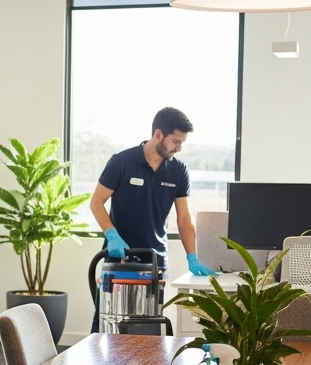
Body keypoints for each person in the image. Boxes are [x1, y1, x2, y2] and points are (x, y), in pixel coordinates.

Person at [89, 106, 217, 279]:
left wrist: (192, 256)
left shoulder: (178, 171)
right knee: (111, 307)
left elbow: (184, 217)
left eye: (181, 143)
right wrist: (111, 235)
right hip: (119, 256)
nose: (179, 148)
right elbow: (96, 202)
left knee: (153, 307)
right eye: (175, 141)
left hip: (156, 260)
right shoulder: (121, 162)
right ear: (158, 135)